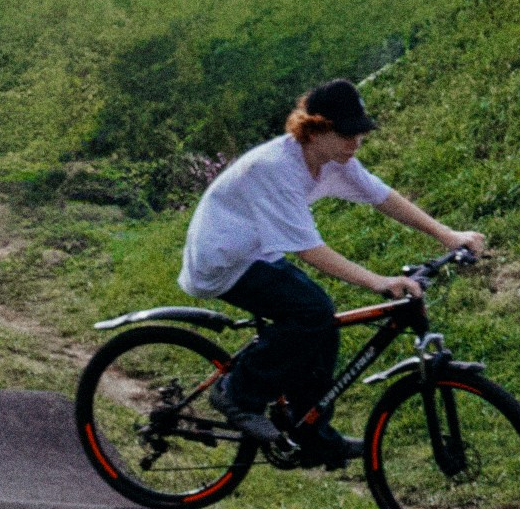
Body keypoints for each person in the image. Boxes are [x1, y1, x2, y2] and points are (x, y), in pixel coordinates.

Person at [179, 76, 487, 465]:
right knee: (311, 312)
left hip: (257, 251)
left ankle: (310, 433)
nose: (355, 143)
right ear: (316, 129)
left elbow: (384, 197)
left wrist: (448, 236)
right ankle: (236, 394)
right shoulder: (277, 168)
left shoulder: (333, 160)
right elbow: (311, 251)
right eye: (346, 134)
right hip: (220, 260)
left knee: (322, 324)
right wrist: (379, 281)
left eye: (360, 133)